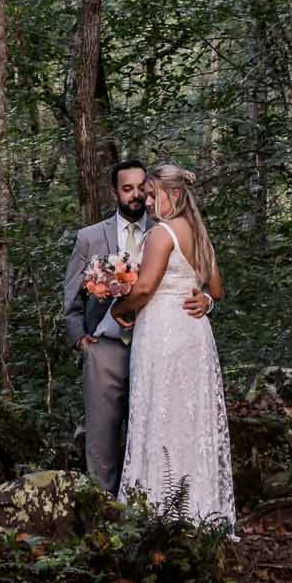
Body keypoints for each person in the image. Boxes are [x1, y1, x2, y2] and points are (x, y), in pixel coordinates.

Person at [60, 160, 214, 494]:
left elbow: (195, 278)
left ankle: (157, 499)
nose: (136, 196)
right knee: (102, 433)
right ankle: (104, 507)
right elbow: (71, 294)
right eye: (126, 189)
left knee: (156, 425)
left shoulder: (163, 226)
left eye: (140, 188)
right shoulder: (90, 237)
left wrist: (206, 299)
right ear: (114, 191)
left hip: (158, 344)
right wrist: (80, 340)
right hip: (106, 348)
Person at [107, 161, 236, 531]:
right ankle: (199, 508)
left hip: (163, 333)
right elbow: (217, 290)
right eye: (145, 195)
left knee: (162, 413)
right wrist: (207, 303)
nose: (146, 202)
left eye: (152, 195)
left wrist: (119, 307)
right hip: (194, 334)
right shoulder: (198, 232)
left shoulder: (162, 234)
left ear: (174, 194)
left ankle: (161, 509)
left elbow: (145, 288)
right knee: (189, 418)